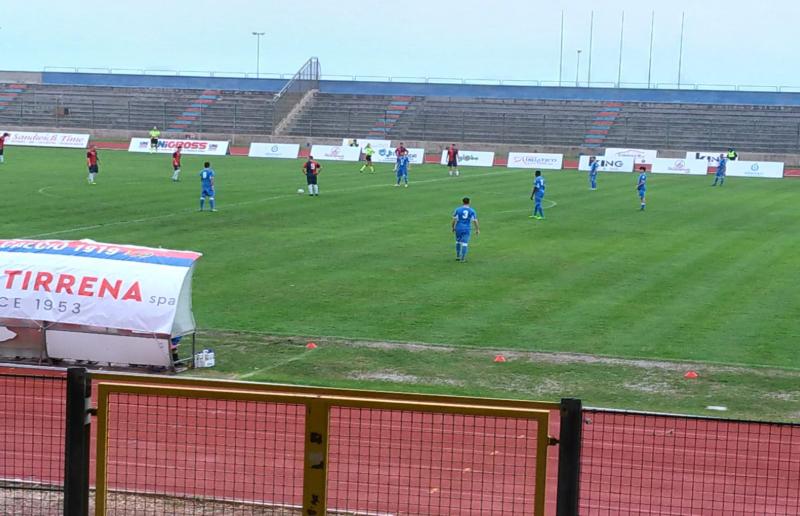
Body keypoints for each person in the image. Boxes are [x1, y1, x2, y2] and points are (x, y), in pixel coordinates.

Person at [451, 197, 479, 262]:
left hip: (458, 228)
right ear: (469, 202)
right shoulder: (472, 211)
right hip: (466, 228)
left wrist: (453, 227)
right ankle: (462, 258)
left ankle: (458, 256)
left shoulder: (458, 210)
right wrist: (477, 229)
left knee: (458, 241)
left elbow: (454, 219)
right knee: (465, 243)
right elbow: (475, 221)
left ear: (462, 202)